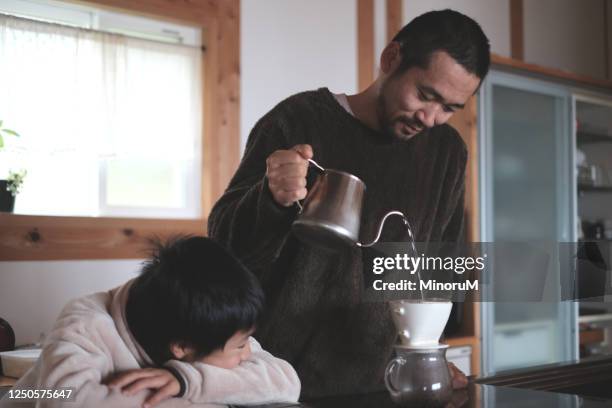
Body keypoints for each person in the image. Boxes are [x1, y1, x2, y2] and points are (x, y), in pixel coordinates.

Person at [208, 9, 490, 398]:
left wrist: (427, 351)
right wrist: (270, 198)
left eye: (449, 108)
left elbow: (435, 268)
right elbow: (222, 248)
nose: (430, 117)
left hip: (378, 384)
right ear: (391, 59)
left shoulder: (448, 153)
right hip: (273, 381)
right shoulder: (299, 121)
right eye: (426, 96)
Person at [3, 236, 300, 408]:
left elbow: (286, 383)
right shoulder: (87, 323)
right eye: (239, 347)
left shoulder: (215, 322)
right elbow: (61, 399)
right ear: (181, 346)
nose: (248, 353)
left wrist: (185, 382)